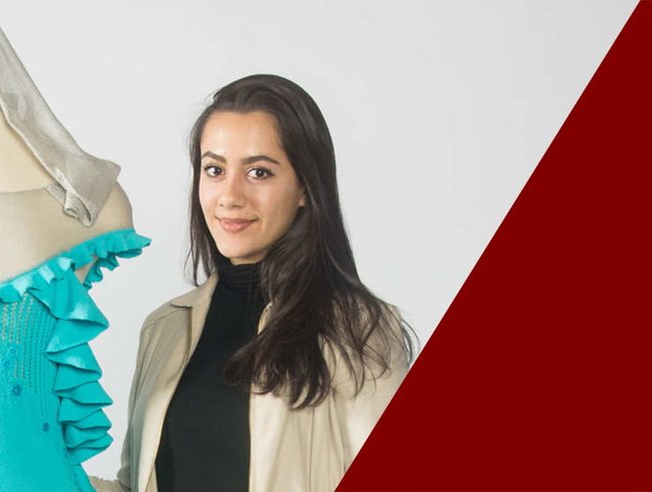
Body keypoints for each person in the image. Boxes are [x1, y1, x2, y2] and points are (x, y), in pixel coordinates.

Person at [92, 74, 416, 492]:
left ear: (304, 187)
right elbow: (134, 485)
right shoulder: (165, 327)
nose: (230, 196)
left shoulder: (356, 329)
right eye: (214, 169)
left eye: (259, 172)